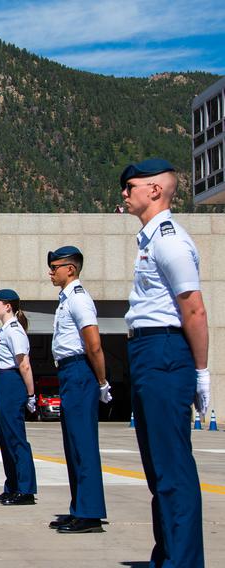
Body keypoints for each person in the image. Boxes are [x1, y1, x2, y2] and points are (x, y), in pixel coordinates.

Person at [121, 158, 207, 565]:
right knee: (157, 468)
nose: (124, 193)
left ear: (155, 190)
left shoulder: (169, 240)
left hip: (165, 351)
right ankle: (168, 554)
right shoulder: (149, 239)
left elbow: (194, 310)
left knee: (172, 467)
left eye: (130, 186)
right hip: (146, 351)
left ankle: (183, 561)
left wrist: (202, 373)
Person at [47, 245, 109, 533]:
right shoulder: (66, 299)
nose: (51, 271)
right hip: (69, 372)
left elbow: (93, 343)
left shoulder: (79, 299)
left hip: (80, 370)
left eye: (55, 266)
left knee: (83, 443)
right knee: (73, 445)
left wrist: (101, 381)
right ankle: (79, 507)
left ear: (70, 269)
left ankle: (91, 513)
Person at [0, 289, 37, 506]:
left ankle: (25, 489)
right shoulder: (3, 330)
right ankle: (12, 486)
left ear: (7, 306)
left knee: (15, 437)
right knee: (5, 437)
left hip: (11, 381)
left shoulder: (15, 331)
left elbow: (24, 364)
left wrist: (30, 394)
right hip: (2, 380)